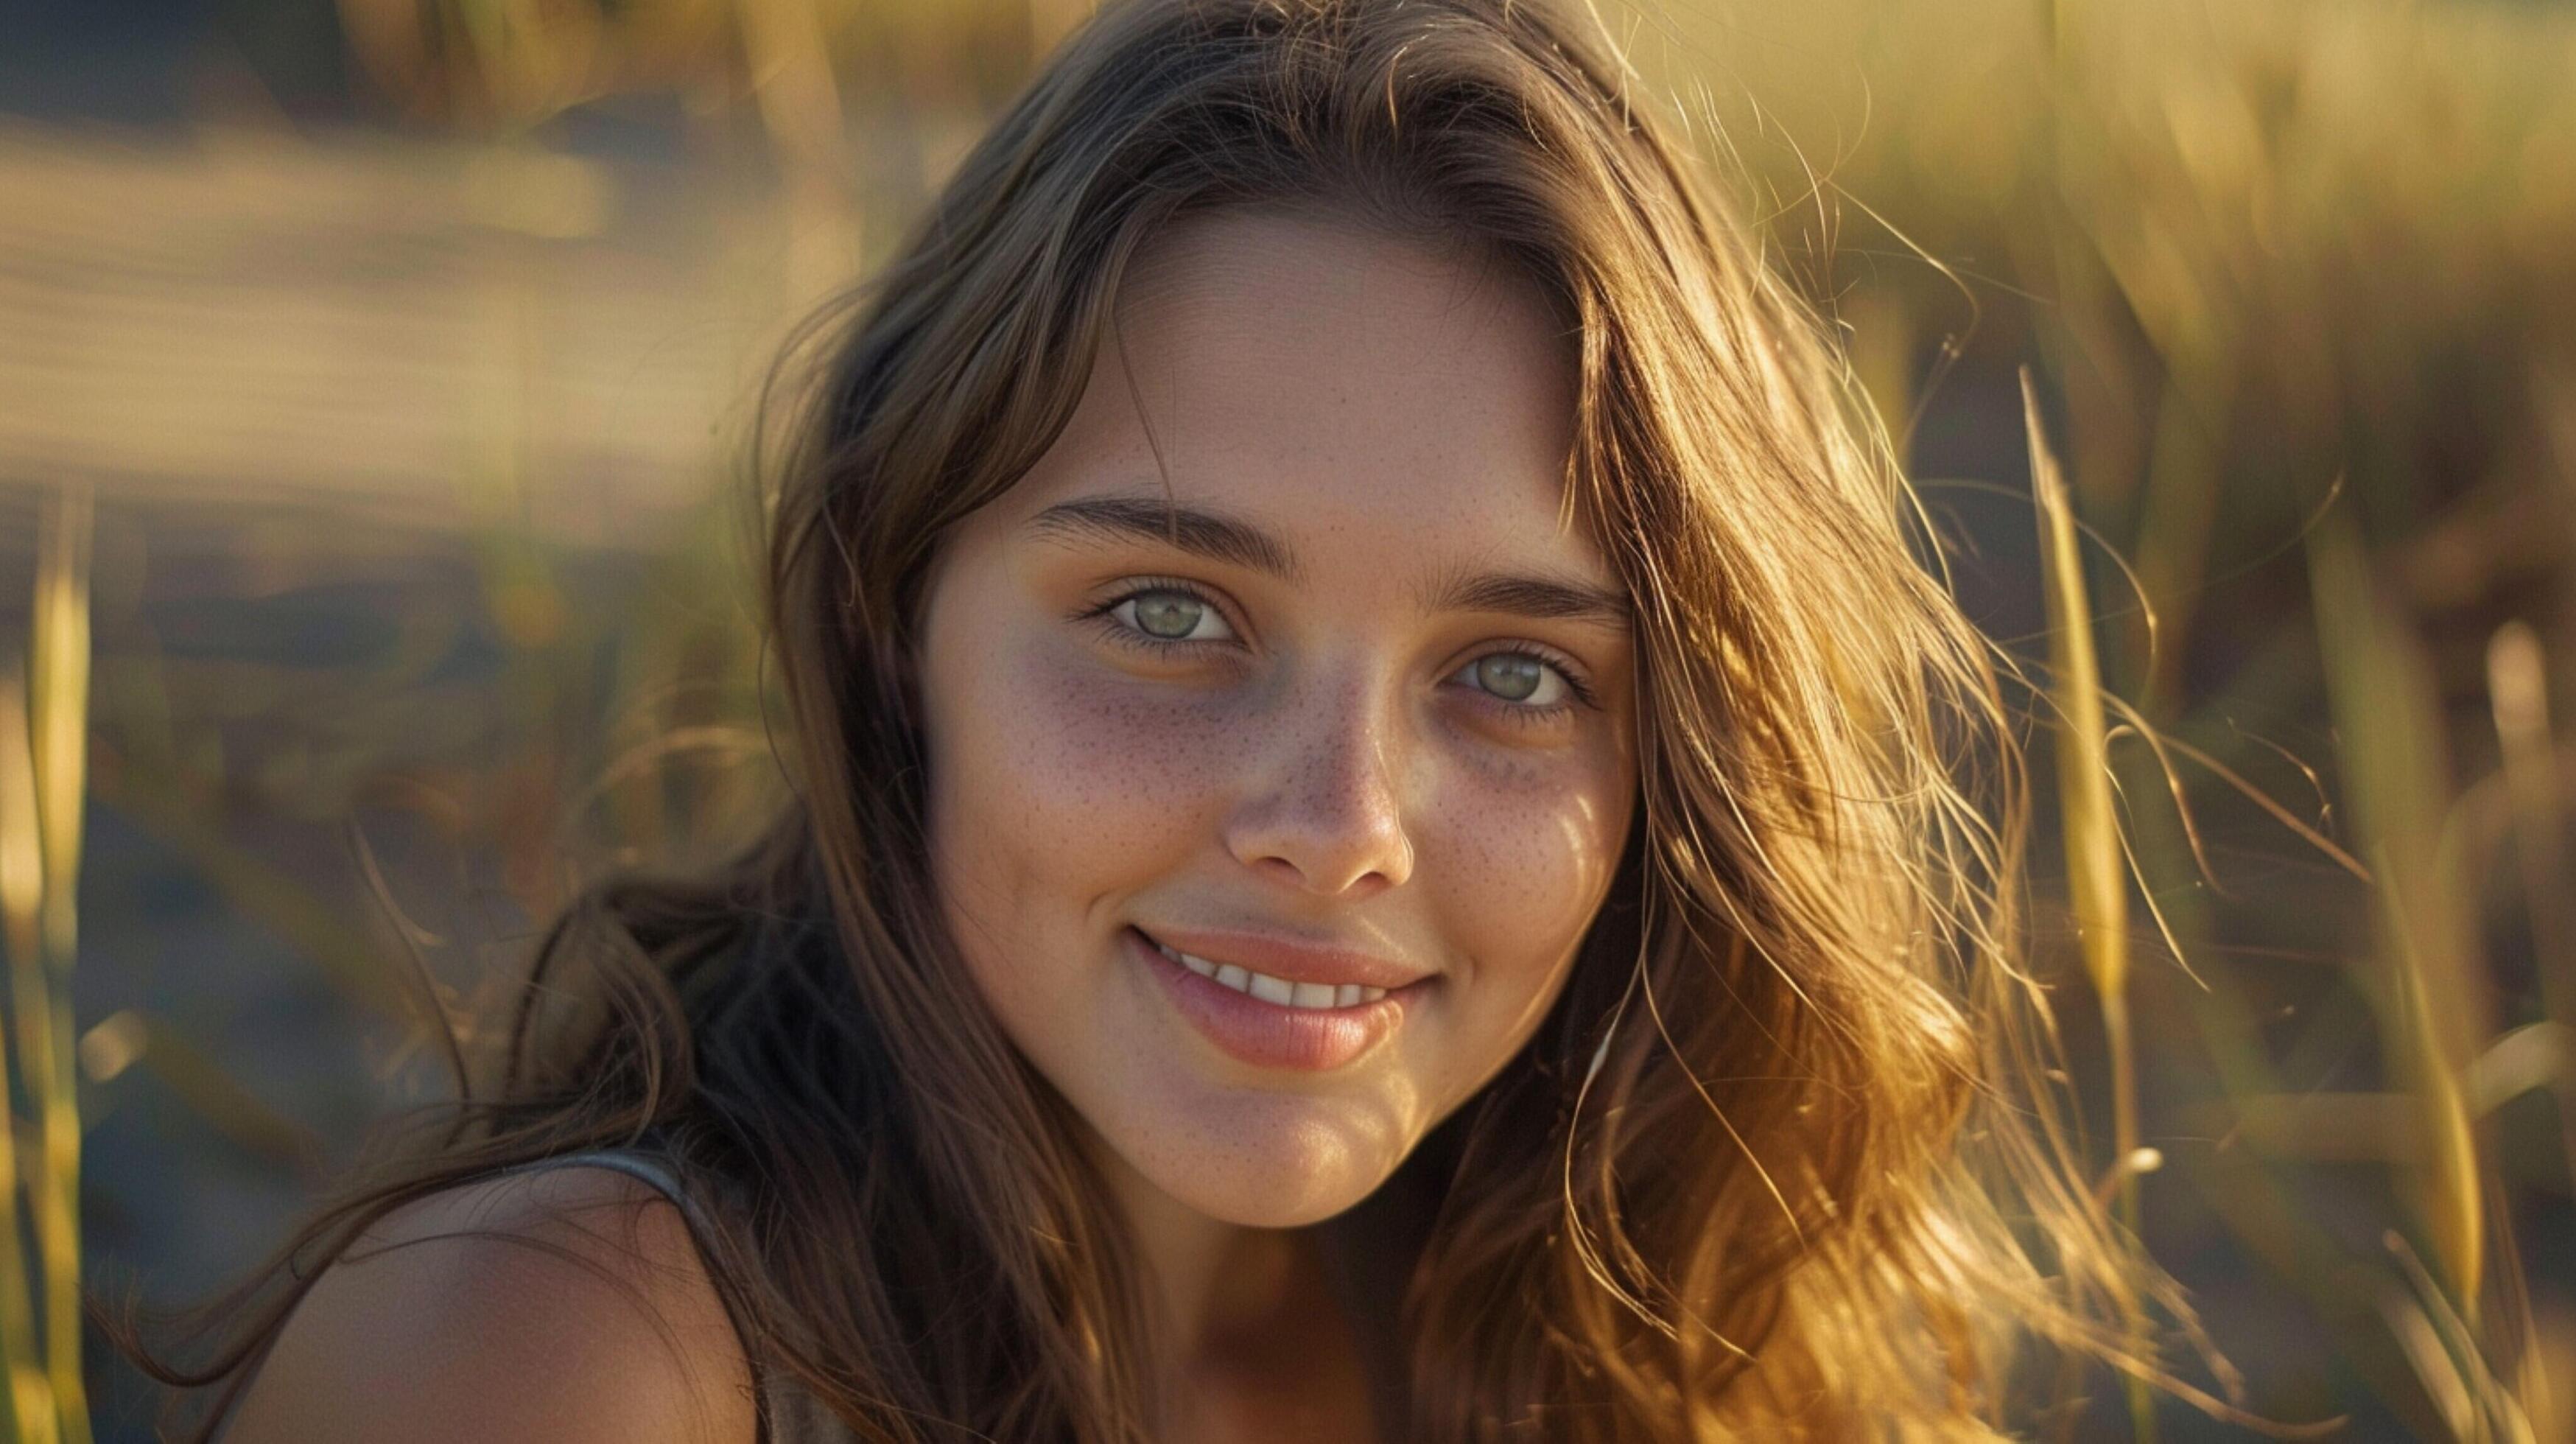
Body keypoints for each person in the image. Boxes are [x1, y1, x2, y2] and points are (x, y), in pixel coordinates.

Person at [143, 0, 2168, 1437]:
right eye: (1171, 612)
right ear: (882, 616)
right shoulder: (570, 1360)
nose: (1339, 822)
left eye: (1518, 672)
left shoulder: (1641, 1344)